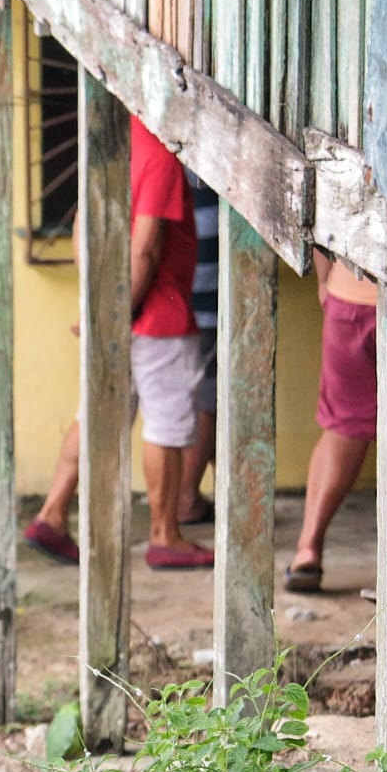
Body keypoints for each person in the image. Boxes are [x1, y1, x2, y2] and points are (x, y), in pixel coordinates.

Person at [23, 117, 213, 571]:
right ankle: (166, 534)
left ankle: (52, 514)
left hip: (117, 308)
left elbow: (80, 232)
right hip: (156, 315)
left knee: (95, 414)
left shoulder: (108, 143)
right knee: (166, 425)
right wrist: (115, 313)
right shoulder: (160, 154)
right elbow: (145, 248)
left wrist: (99, 305)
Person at [283, 254, 379, 592]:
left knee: (343, 429)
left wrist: (325, 281)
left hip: (351, 297)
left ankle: (307, 548)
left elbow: (321, 227)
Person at [177, 172, 220, 525]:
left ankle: (193, 494)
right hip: (204, 295)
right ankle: (186, 497)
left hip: (190, 290)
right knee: (209, 402)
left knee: (207, 397)